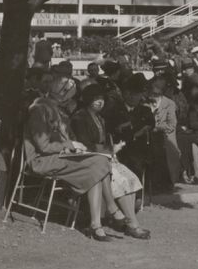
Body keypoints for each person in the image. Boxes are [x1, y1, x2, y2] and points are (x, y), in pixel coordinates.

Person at [24, 76, 149, 241]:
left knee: (97, 166)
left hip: (61, 156)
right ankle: (111, 210)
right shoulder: (40, 109)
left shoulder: (57, 109)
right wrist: (71, 145)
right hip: (43, 160)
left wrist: (74, 146)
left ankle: (96, 225)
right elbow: (43, 146)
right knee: (99, 163)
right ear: (63, 95)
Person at [71, 83, 146, 213]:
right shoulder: (80, 117)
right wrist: (110, 150)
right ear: (88, 99)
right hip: (88, 158)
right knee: (119, 178)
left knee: (129, 177)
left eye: (102, 99)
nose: (100, 102)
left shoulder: (100, 118)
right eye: (96, 99)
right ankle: (123, 216)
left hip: (102, 156)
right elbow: (84, 144)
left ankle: (128, 216)